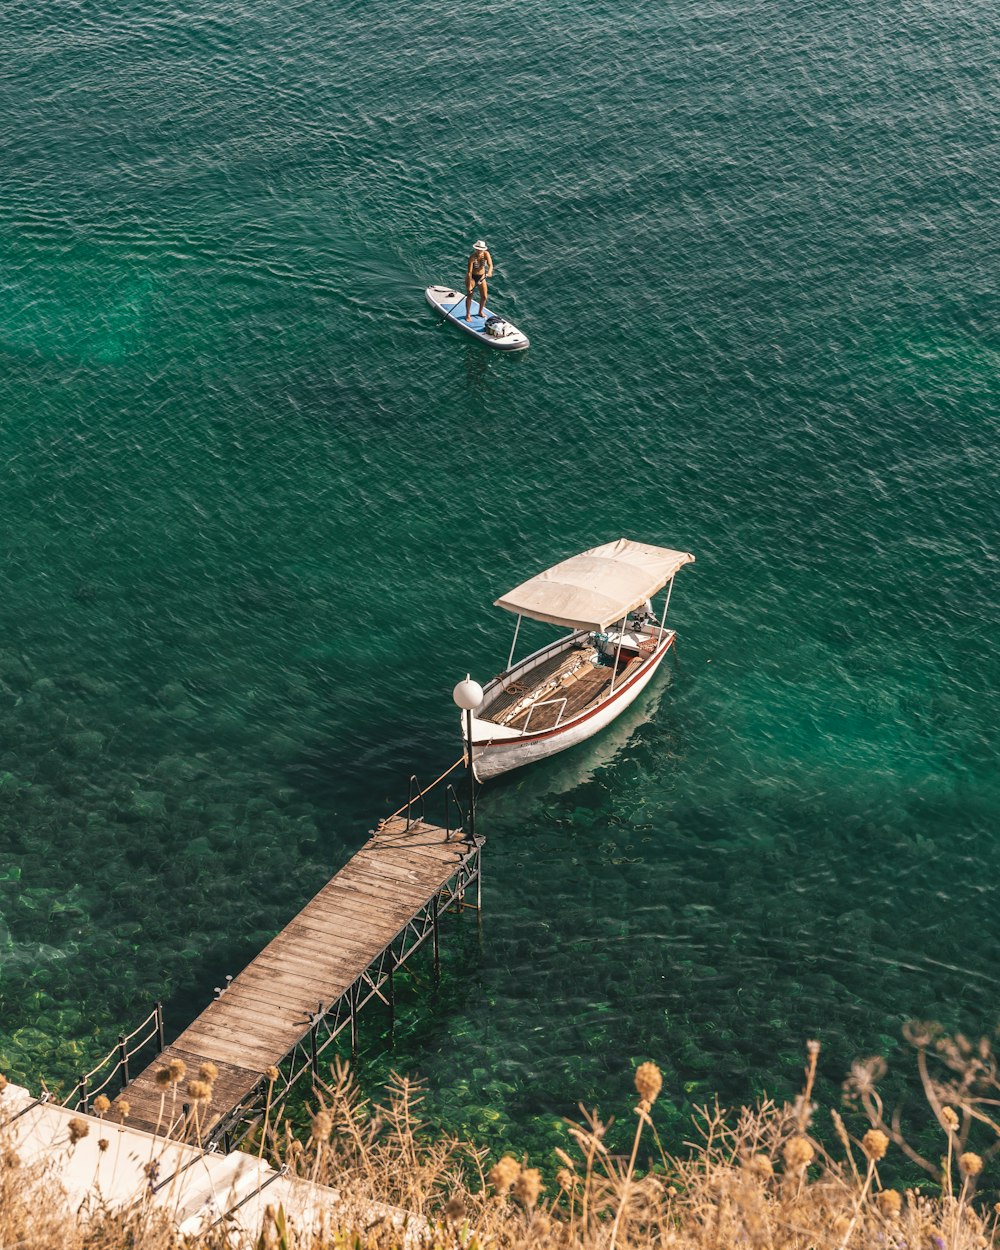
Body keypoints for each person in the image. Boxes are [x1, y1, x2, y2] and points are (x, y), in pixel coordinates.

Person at [465, 240, 493, 321]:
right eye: (477, 249)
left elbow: (490, 265)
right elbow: (469, 273)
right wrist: (469, 286)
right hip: (472, 277)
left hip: (482, 277)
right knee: (470, 295)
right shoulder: (472, 257)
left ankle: (480, 311)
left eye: (480, 249)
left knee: (484, 296)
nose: (479, 251)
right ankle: (468, 314)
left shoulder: (486, 254)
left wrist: (489, 272)